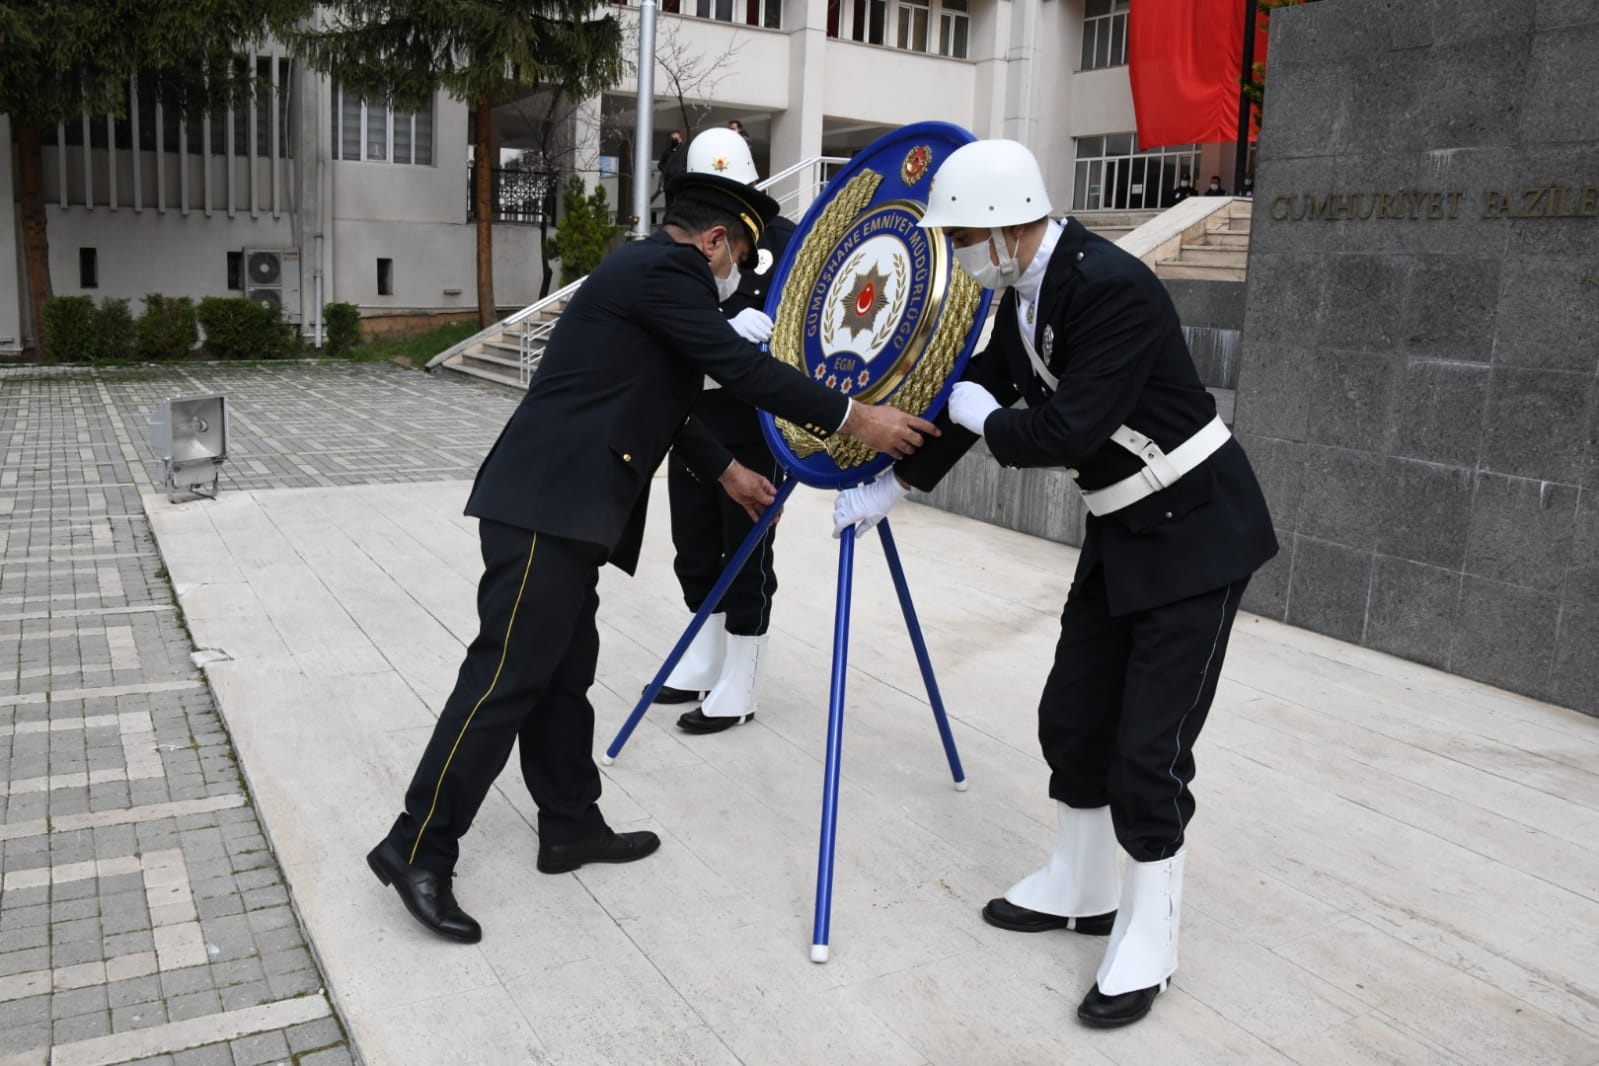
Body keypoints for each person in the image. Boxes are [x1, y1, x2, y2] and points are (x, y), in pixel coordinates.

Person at [366, 170, 938, 945]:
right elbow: (740, 371)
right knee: (503, 679)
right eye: (738, 253)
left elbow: (664, 400)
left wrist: (729, 470)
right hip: (546, 505)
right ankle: (416, 846)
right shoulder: (665, 272)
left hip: (564, 507)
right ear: (713, 241)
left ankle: (570, 824)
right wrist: (853, 418)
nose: (737, 270)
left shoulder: (643, 277)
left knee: (563, 675)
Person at [832, 139, 1276, 1028]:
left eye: (960, 236)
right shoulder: (1027, 288)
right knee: (1072, 717)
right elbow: (980, 385)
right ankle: (1081, 883)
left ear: (1003, 228)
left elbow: (1063, 432)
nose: (955, 251)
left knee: (1148, 749)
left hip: (1197, 535)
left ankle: (1150, 932)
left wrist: (984, 416)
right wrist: (896, 485)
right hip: (1123, 528)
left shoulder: (1107, 286)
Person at [654, 128, 794, 734]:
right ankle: (706, 654)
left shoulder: (788, 243)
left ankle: (742, 676)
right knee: (693, 545)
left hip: (752, 425)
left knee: (745, 555)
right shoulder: (682, 242)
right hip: (691, 421)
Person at [659, 130, 687, 209]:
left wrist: (681, 171)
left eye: (676, 139)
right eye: (673, 139)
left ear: (680, 139)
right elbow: (660, 164)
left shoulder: (684, 151)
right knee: (669, 205)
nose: (675, 140)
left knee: (680, 203)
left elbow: (688, 164)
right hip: (669, 183)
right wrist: (667, 170)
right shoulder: (667, 152)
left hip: (680, 183)